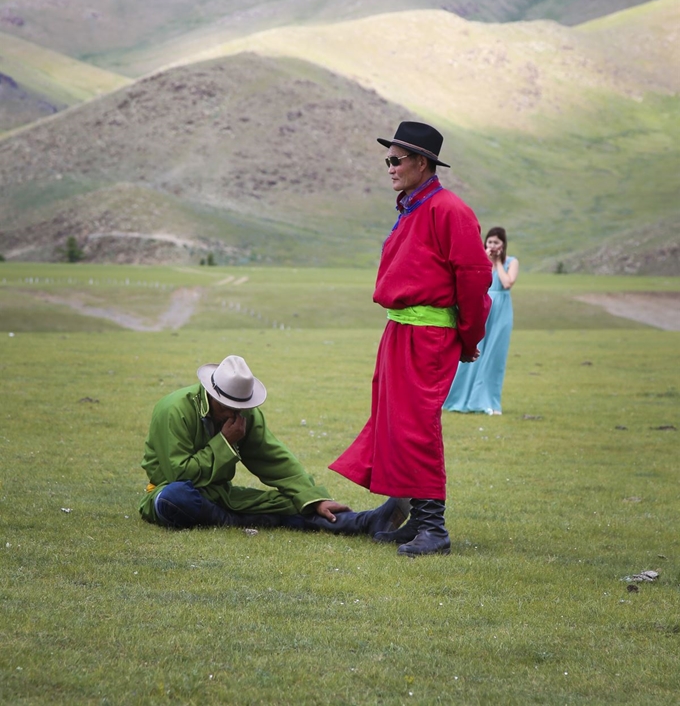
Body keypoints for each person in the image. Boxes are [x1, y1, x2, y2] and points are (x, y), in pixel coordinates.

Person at [328, 121, 492, 556]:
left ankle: (434, 529)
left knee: (417, 427)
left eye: (397, 160)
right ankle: (416, 520)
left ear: (422, 163)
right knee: (397, 424)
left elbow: (475, 279)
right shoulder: (413, 206)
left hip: (428, 337)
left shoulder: (449, 210)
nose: (390, 168)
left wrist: (469, 335)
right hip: (402, 331)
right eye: (388, 160)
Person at [139, 353, 409, 537]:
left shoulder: (244, 415)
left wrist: (313, 497)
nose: (237, 413)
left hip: (219, 496)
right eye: (230, 406)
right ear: (212, 394)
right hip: (172, 492)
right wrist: (224, 442)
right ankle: (233, 518)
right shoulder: (174, 410)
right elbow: (178, 474)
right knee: (176, 498)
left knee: (294, 501)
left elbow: (273, 460)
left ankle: (366, 522)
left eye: (242, 407)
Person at [443, 226, 519, 415]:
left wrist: (498, 263)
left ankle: (486, 400)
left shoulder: (511, 262)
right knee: (472, 351)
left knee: (494, 355)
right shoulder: (481, 259)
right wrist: (485, 258)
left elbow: (507, 283)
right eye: (490, 242)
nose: (492, 246)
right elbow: (474, 278)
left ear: (503, 245)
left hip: (501, 309)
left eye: (496, 243)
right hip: (482, 307)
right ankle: (457, 398)